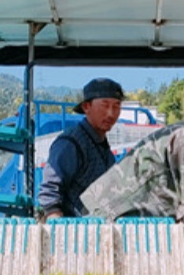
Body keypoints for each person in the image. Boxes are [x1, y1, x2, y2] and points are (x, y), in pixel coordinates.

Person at [38, 77, 124, 219]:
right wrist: (59, 231)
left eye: (116, 106)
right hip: (74, 233)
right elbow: (50, 192)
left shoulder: (104, 148)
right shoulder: (70, 144)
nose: (111, 113)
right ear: (86, 107)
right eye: (105, 105)